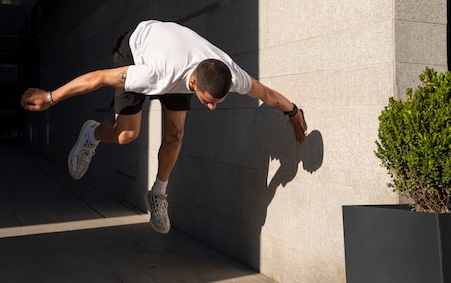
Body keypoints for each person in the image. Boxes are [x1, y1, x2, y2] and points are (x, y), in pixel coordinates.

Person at [20, 20, 307, 234]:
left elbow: (266, 94)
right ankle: (91, 134)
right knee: (126, 135)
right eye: (208, 102)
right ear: (193, 84)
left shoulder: (230, 74)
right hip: (135, 49)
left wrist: (292, 112)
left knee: (176, 134)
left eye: (216, 102)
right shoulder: (156, 74)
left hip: (176, 58)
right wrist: (50, 97)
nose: (211, 107)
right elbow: (98, 78)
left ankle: (158, 192)